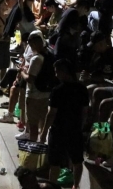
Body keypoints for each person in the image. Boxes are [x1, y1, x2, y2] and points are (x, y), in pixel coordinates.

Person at [39, 59, 87, 189]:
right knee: (77, 161)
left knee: (55, 163)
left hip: (59, 130)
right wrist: (82, 127)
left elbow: (51, 114)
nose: (56, 75)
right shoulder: (82, 89)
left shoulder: (57, 91)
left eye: (57, 72)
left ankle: (52, 186)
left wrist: (43, 132)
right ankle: (76, 186)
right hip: (75, 130)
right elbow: (84, 111)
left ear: (64, 72)